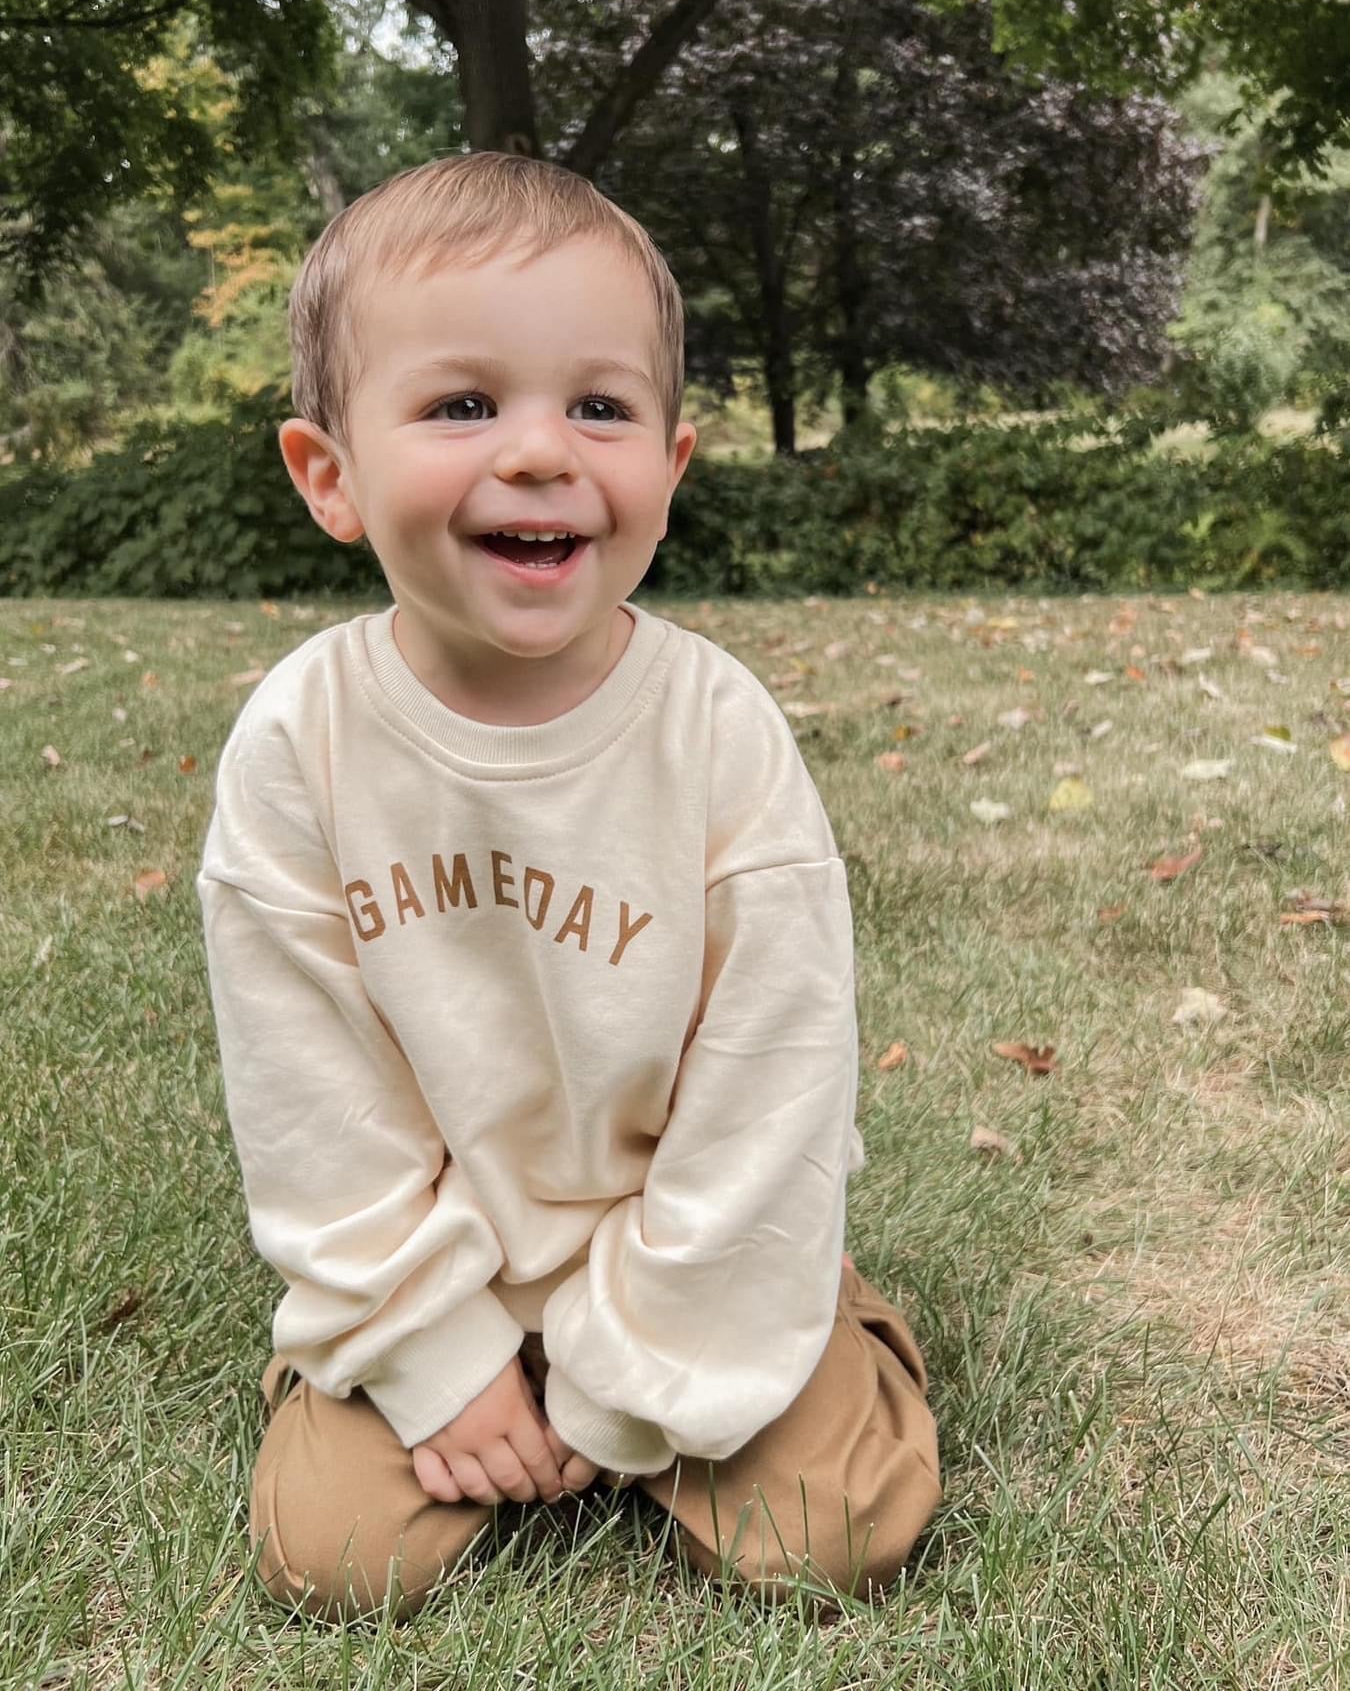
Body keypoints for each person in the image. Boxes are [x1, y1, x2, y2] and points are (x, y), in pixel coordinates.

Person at [196, 151, 940, 1623]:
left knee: (823, 1536)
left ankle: (830, 1320)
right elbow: (307, 1100)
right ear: (328, 474)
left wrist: (635, 1371)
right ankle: (412, 1360)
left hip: (686, 1239)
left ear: (665, 469)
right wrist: (432, 1353)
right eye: (463, 404)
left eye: (598, 407)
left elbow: (771, 1080)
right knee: (332, 1562)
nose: (540, 453)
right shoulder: (300, 741)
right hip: (443, 1256)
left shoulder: (715, 734)